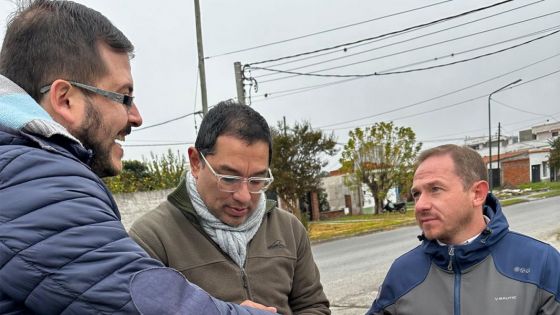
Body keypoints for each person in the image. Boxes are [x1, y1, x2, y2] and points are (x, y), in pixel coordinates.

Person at [0, 1, 275, 314]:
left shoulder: (19, 166)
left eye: (256, 179)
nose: (136, 116)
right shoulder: (32, 178)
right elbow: (145, 301)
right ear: (65, 100)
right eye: (124, 96)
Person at [129, 101, 331, 315]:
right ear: (196, 162)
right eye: (228, 178)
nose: (244, 196)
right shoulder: (152, 238)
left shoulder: (288, 229)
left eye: (256, 180)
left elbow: (314, 306)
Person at [366, 144, 560, 315]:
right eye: (417, 194)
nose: (420, 205)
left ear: (477, 194)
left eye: (435, 189)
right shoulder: (402, 272)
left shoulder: (541, 263)